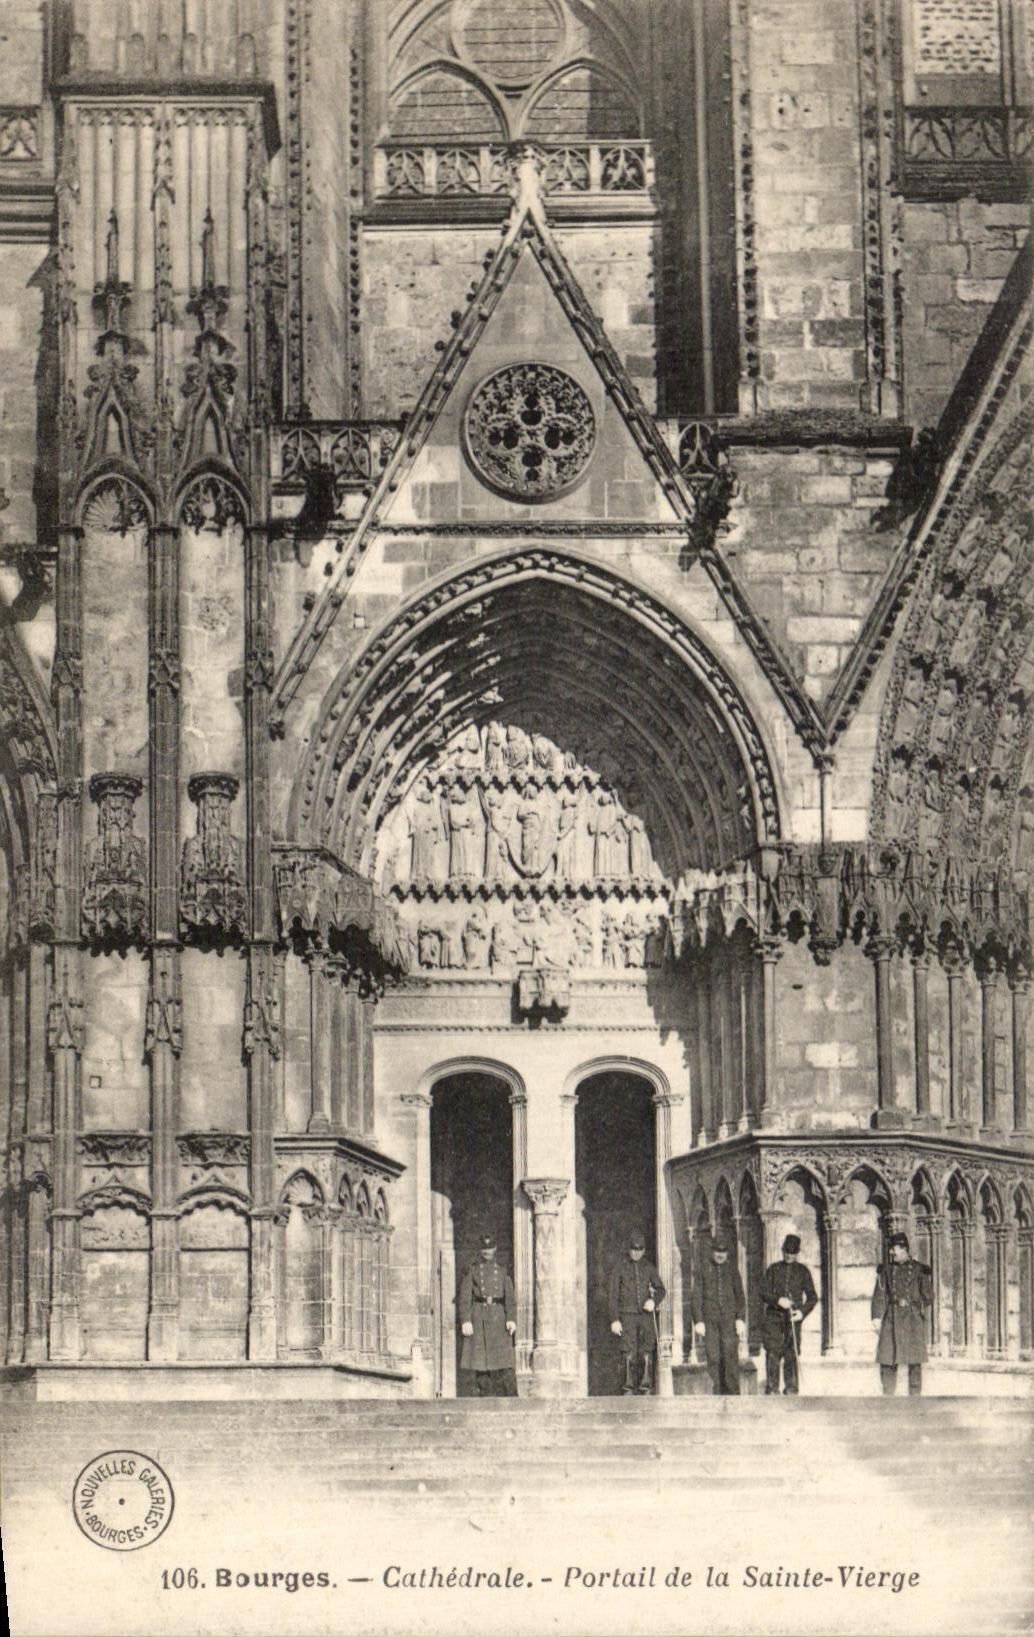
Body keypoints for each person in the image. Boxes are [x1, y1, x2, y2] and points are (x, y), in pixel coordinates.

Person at [871, 1230, 934, 1396]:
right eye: (891, 1249)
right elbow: (879, 1294)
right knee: (887, 1359)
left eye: (894, 1249)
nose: (891, 1252)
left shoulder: (919, 1269)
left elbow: (928, 1296)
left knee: (915, 1362)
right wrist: (876, 1316)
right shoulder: (885, 1270)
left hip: (912, 1319)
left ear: (904, 1249)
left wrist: (916, 1308)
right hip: (891, 1318)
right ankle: (888, 1399)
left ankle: (915, 1401)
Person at [458, 1233, 518, 1397]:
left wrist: (511, 1318)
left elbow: (510, 1298)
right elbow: (465, 1297)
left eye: (490, 1248)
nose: (487, 1252)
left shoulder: (503, 1271)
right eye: (484, 1249)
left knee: (504, 1363)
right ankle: (485, 1397)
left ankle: (507, 1400)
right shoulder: (472, 1270)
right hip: (479, 1317)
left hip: (499, 1317)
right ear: (480, 1251)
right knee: (481, 1365)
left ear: (495, 1249)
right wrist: (466, 1320)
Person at [608, 1230, 666, 1395]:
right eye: (633, 1248)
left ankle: (645, 1385)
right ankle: (628, 1386)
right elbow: (613, 1295)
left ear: (644, 1250)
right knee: (628, 1350)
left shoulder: (649, 1268)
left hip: (645, 1316)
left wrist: (653, 1301)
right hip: (627, 1315)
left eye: (640, 1249)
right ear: (629, 1249)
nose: (636, 1252)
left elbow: (661, 1290)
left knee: (646, 1349)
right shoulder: (620, 1268)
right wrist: (614, 1319)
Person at [760, 1233, 818, 1395]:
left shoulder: (803, 1271)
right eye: (786, 1252)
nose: (789, 1255)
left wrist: (802, 1312)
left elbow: (813, 1297)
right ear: (782, 1250)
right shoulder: (773, 1269)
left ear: (797, 1253)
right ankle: (772, 1390)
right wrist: (777, 1300)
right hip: (773, 1319)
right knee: (772, 1354)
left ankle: (791, 1391)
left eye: (792, 1253)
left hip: (792, 1320)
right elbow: (763, 1292)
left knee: (791, 1354)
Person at [690, 1236, 746, 1395]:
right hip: (710, 1322)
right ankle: (718, 1392)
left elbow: (740, 1296)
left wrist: (740, 1318)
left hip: (729, 1322)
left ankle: (733, 1394)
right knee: (713, 1357)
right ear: (712, 1252)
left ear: (727, 1253)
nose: (720, 1255)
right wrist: (698, 1320)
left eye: (723, 1252)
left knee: (730, 1356)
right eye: (717, 1251)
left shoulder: (732, 1270)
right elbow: (696, 1297)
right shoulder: (703, 1270)